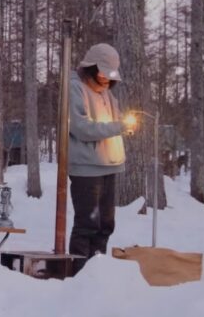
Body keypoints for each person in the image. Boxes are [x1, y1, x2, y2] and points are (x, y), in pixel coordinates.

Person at [68, 43, 135, 273]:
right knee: (87, 224)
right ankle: (78, 272)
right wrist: (117, 127)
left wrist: (124, 126)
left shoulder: (108, 95)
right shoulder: (74, 89)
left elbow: (115, 125)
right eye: (103, 74)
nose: (106, 79)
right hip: (86, 168)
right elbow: (81, 128)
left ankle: (97, 272)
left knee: (105, 225)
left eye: (110, 76)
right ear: (92, 68)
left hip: (109, 166)